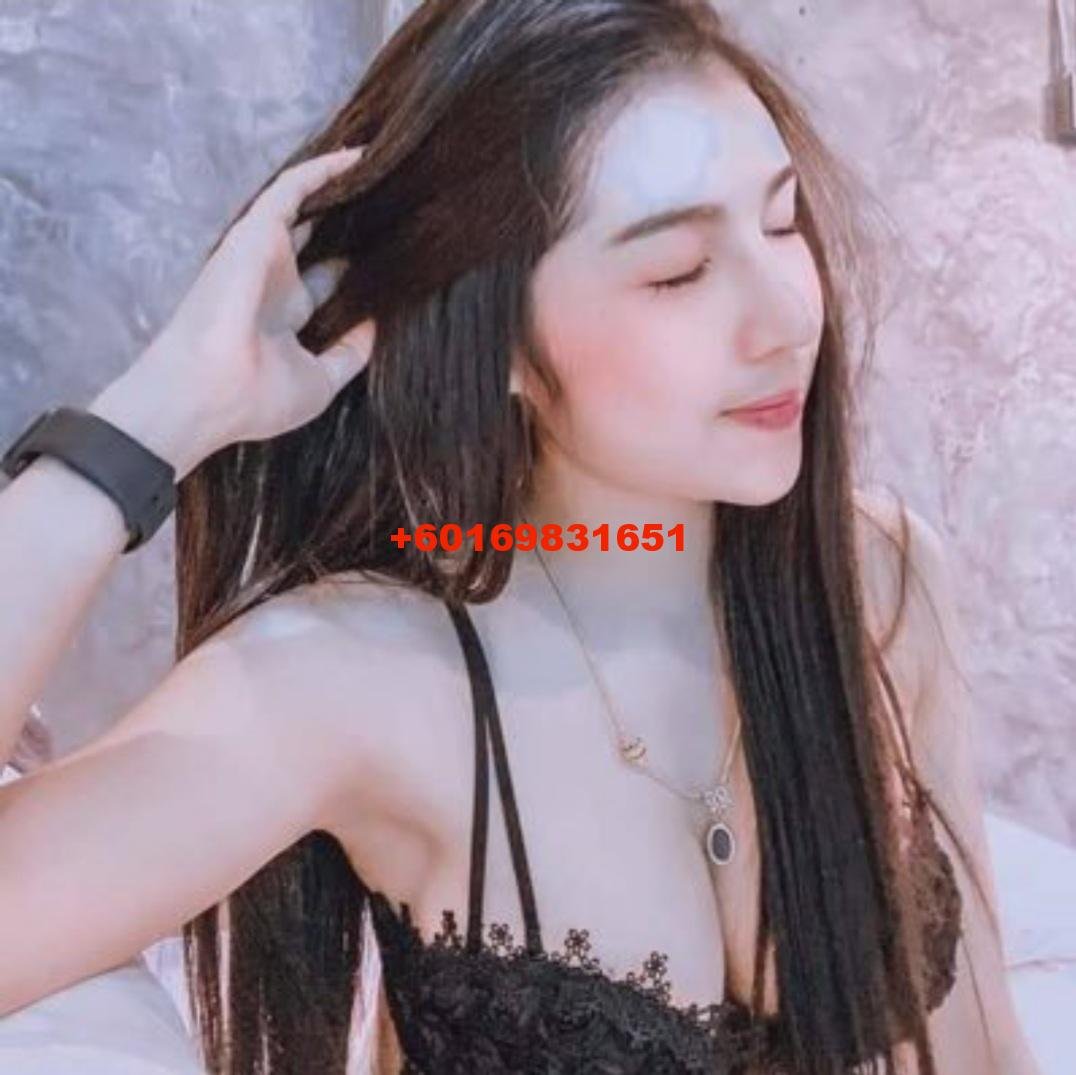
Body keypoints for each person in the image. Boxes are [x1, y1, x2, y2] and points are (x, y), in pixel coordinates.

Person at [0, 1, 1042, 1073]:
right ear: (490, 333)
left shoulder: (878, 579)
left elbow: (978, 1048)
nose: (785, 315)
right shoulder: (362, 678)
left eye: (781, 224)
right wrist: (163, 412)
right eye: (677, 271)